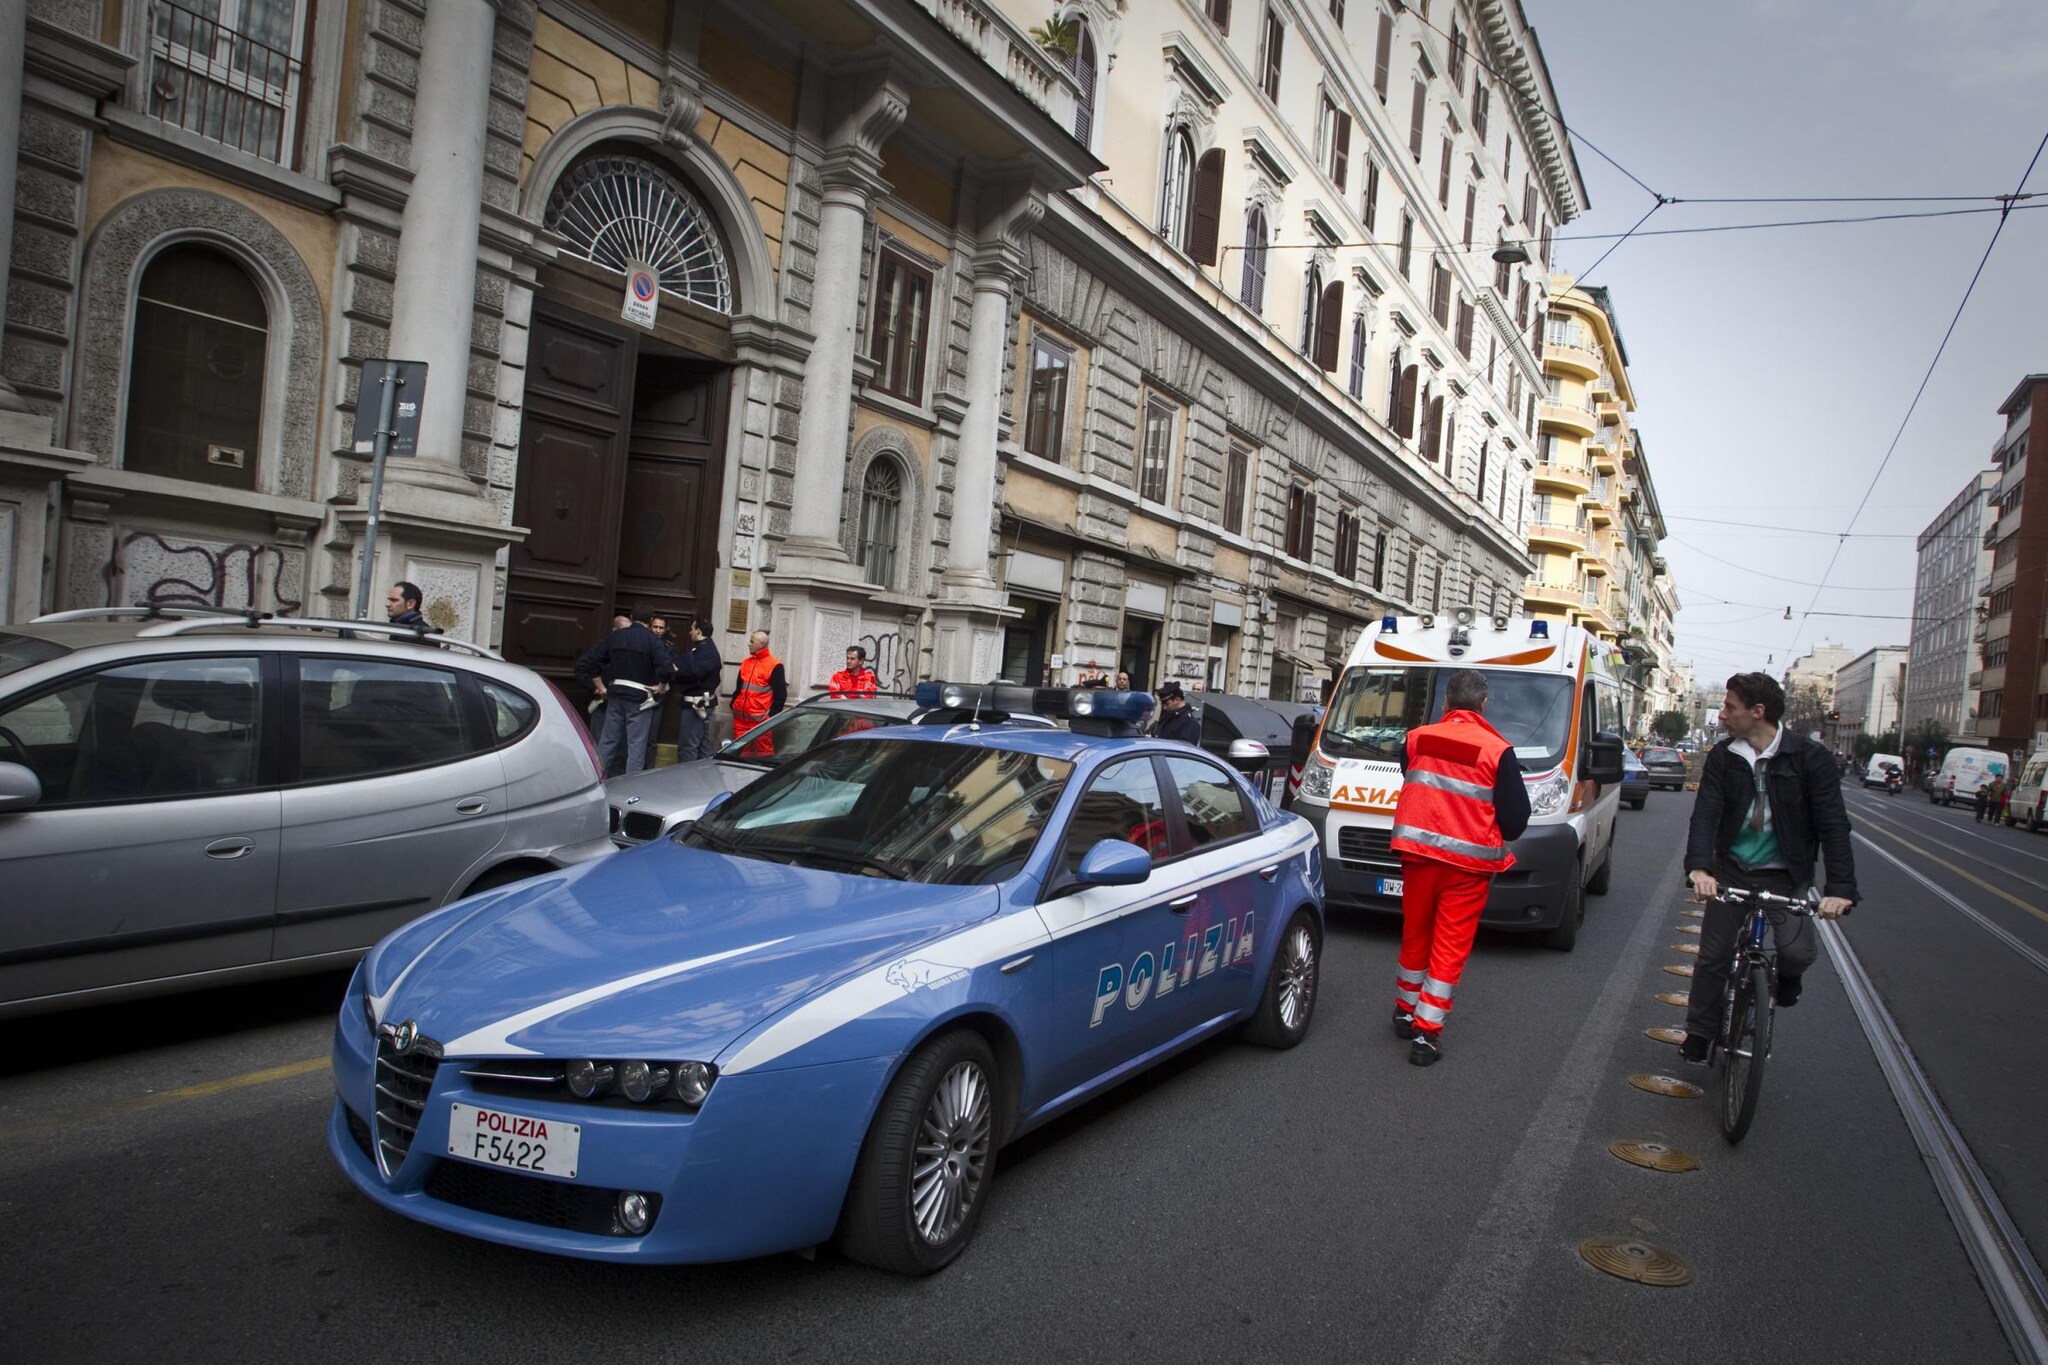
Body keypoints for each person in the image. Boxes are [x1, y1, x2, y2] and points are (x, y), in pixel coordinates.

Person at [1680, 672, 1857, 1065]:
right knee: (1713, 957)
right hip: (1732, 870)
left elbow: (1833, 824)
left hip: (1786, 876)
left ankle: (1786, 977)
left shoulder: (1811, 760)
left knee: (1797, 951)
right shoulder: (1724, 758)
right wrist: (1700, 869)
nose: (1723, 715)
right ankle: (1700, 1031)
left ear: (1757, 712)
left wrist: (1840, 887)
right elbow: (1705, 815)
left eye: (1730, 707)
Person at [1389, 670, 1530, 1067]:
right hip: (1467, 865)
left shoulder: (1417, 738)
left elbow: (1415, 779)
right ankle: (1426, 1035)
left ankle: (1405, 1009)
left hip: (1418, 855)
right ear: (1483, 705)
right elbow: (1517, 819)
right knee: (1449, 945)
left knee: (1416, 931)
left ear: (1446, 704)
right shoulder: (1498, 750)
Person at [573, 602, 675, 778]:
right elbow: (667, 668)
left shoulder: (616, 637)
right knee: (636, 745)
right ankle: (630, 785)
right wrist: (660, 686)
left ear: (632, 617)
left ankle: (597, 779)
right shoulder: (652, 641)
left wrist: (600, 686)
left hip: (615, 695)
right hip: (640, 698)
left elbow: (592, 662)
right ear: (650, 621)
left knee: (608, 742)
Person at [670, 617, 722, 763]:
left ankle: (688, 782)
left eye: (692, 629)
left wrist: (676, 672)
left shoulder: (706, 651)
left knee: (689, 748)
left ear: (698, 631)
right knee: (702, 748)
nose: (689, 632)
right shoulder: (704, 649)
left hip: (696, 705)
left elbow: (694, 672)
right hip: (700, 703)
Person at [731, 629, 786, 745]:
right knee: (738, 755)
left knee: (761, 755)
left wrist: (770, 719)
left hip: (760, 723)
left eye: (752, 641)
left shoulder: (775, 665)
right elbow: (738, 689)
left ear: (761, 644)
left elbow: (780, 696)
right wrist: (733, 704)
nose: (748, 644)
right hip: (740, 721)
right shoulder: (746, 662)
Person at [1151, 680, 1202, 744]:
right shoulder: (1167, 716)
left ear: (1177, 700)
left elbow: (1186, 750)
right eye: (1163, 705)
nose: (1164, 707)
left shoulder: (1189, 722)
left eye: (1167, 704)